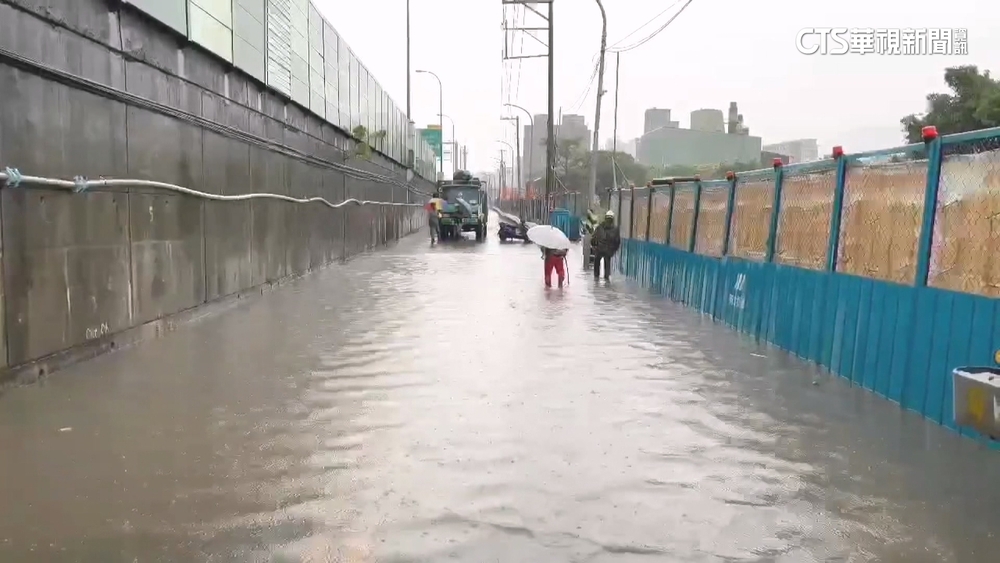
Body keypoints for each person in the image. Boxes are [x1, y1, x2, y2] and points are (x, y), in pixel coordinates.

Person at [591, 210, 621, 280]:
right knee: (607, 268)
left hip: (599, 250)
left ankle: (596, 280)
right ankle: (606, 281)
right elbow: (617, 242)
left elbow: (593, 239)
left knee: (596, 266)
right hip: (608, 251)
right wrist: (613, 251)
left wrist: (595, 248)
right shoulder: (615, 229)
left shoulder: (599, 227)